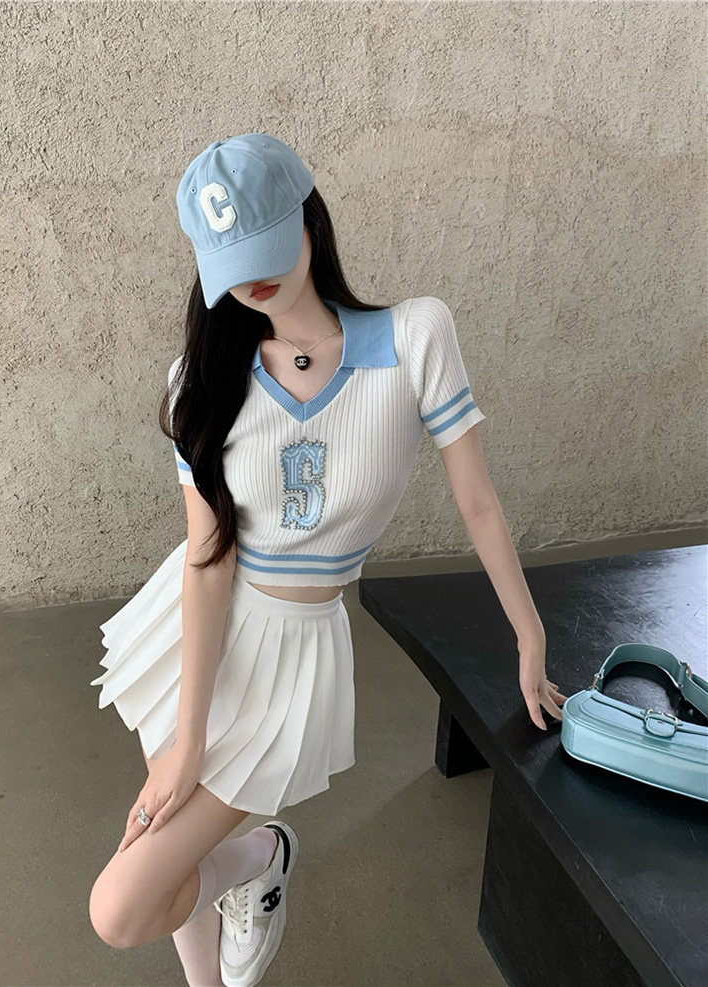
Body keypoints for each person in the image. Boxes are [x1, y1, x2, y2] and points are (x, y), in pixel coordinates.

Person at [87, 132, 567, 987]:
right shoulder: (200, 377)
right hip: (198, 631)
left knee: (123, 904)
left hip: (295, 651)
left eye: (267, 249)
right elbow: (207, 557)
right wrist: (187, 740)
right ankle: (236, 911)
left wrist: (528, 637)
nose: (254, 281)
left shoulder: (415, 336)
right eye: (233, 265)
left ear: (311, 222)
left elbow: (477, 503)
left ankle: (260, 855)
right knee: (152, 874)